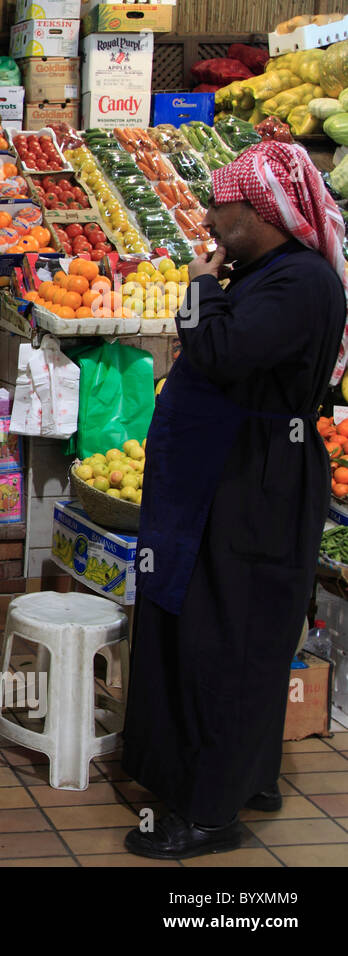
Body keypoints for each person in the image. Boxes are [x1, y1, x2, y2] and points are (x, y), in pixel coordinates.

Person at [122, 141, 348, 860]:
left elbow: (220, 354)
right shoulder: (265, 271)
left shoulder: (303, 285)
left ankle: (211, 816)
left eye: (221, 205)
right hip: (220, 481)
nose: (209, 216)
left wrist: (199, 286)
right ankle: (241, 776)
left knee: (231, 641)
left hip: (254, 486)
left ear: (261, 210)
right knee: (210, 631)